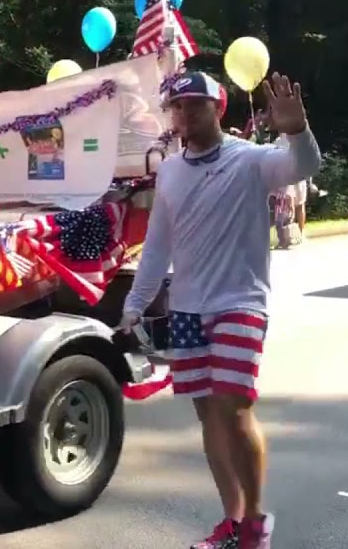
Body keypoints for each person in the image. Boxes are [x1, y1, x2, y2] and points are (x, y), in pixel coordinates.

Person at [118, 71, 321, 549]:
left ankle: (254, 522)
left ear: (219, 107)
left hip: (239, 303)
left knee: (234, 410)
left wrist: (297, 130)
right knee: (208, 416)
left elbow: (305, 165)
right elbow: (157, 247)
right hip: (187, 309)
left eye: (196, 104)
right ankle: (231, 523)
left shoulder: (250, 160)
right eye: (178, 106)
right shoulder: (169, 171)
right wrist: (134, 306)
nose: (186, 113)